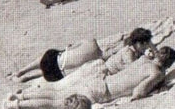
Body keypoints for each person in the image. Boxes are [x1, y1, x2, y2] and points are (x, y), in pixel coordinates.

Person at [5, 47, 175, 109]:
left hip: (100, 79)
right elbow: (139, 91)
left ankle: (23, 95)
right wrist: (156, 88)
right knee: (57, 103)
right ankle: (17, 105)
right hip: (103, 91)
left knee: (60, 91)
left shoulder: (144, 59)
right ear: (168, 64)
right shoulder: (157, 73)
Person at [14, 27, 158, 83]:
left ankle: (24, 72)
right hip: (57, 74)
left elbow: (71, 47)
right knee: (67, 68)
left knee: (58, 61)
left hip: (55, 61)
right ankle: (27, 75)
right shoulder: (126, 53)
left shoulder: (93, 45)